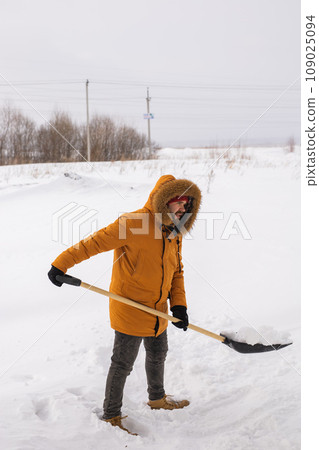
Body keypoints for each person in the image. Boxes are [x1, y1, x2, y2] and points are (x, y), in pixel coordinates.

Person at [48, 174, 201, 434]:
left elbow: (177, 272)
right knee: (122, 364)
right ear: (165, 201)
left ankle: (157, 398)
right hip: (130, 307)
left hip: (158, 311)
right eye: (180, 203)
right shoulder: (133, 223)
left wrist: (179, 306)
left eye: (188, 204)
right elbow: (93, 243)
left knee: (158, 354)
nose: (184, 208)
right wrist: (60, 264)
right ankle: (111, 414)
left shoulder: (174, 232)